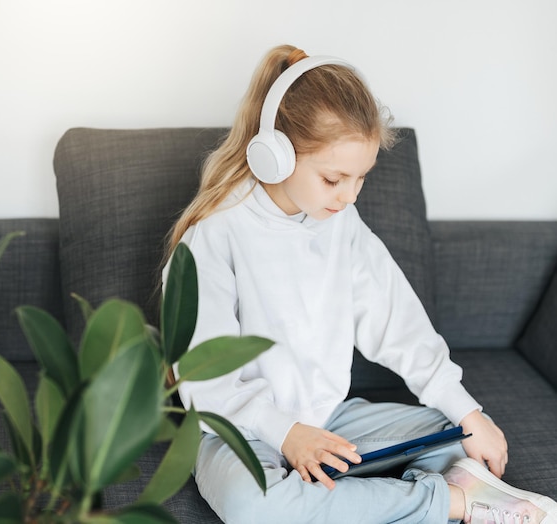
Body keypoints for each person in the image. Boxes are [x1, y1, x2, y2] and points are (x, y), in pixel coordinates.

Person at [163, 44, 557, 523]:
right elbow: (205, 377)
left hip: (331, 419)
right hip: (238, 431)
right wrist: (287, 434)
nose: (348, 196)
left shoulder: (341, 223)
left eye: (361, 178)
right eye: (333, 178)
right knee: (252, 507)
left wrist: (470, 414)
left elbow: (398, 324)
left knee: (452, 436)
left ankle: (435, 487)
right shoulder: (214, 237)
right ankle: (453, 503)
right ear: (276, 156)